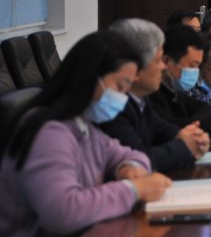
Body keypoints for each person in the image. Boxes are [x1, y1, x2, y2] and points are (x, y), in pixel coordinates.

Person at [0, 31, 172, 236]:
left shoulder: (83, 125)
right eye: (120, 87)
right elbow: (62, 213)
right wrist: (133, 190)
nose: (123, 98)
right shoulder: (49, 133)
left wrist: (129, 167)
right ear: (90, 78)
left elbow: (129, 154)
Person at [104, 19, 210, 172]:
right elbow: (139, 160)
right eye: (158, 60)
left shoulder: (140, 99)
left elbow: (164, 130)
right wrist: (185, 145)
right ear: (135, 65)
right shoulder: (111, 106)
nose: (163, 66)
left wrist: (192, 137)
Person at [150, 25, 211, 134]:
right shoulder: (151, 93)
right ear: (166, 61)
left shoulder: (174, 91)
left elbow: (205, 108)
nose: (196, 72)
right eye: (192, 66)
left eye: (198, 66)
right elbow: (174, 128)